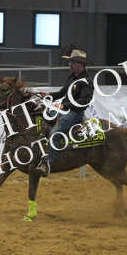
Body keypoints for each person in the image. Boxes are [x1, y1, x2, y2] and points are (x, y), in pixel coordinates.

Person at [35, 48, 94, 176]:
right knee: (40, 118)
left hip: (74, 114)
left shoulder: (86, 81)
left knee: (54, 133)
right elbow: (62, 92)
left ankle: (47, 164)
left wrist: (64, 105)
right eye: (70, 62)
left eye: (72, 62)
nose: (69, 64)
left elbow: (84, 102)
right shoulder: (72, 77)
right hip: (65, 110)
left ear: (80, 64)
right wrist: (48, 96)